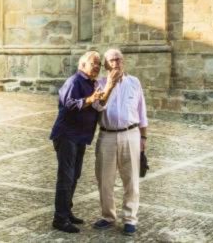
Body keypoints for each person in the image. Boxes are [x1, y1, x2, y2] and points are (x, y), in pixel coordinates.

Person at [92, 48, 149, 236]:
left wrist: (144, 137)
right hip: (107, 135)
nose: (117, 62)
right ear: (106, 64)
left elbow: (142, 112)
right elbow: (98, 106)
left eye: (119, 59)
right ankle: (108, 216)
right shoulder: (98, 84)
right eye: (112, 60)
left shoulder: (134, 82)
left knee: (131, 179)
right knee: (105, 180)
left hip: (131, 133)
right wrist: (109, 85)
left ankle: (130, 218)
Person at [48, 50, 106, 234]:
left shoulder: (90, 83)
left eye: (98, 64)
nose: (96, 66)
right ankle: (60, 219)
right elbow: (69, 103)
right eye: (93, 63)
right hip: (66, 135)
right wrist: (90, 99)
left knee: (74, 175)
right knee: (66, 177)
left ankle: (66, 211)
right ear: (82, 65)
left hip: (79, 136)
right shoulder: (74, 81)